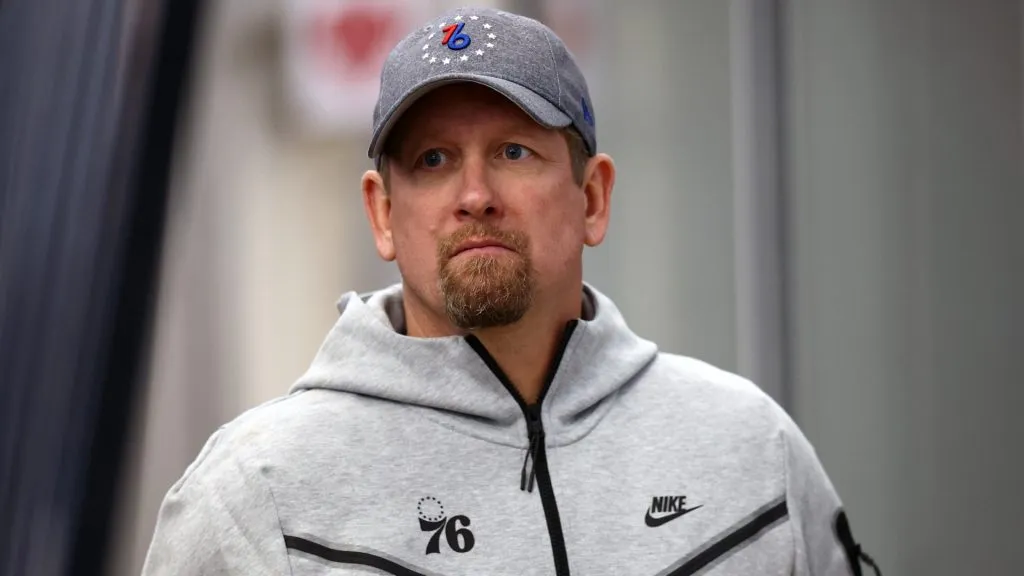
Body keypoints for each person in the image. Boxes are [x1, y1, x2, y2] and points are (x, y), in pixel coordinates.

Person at [141, 6, 879, 576]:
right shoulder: (258, 496)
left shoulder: (750, 452)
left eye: (514, 151)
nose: (475, 195)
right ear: (382, 214)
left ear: (593, 199)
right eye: (433, 160)